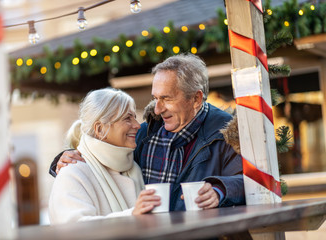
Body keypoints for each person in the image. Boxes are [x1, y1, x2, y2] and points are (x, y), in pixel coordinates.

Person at [50, 53, 245, 211]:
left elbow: (253, 180)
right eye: (156, 98)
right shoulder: (145, 134)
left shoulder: (227, 132)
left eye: (166, 99)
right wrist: (63, 159)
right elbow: (105, 157)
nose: (158, 109)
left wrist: (220, 189)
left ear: (196, 99)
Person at [48, 88, 161, 224]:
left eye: (135, 117)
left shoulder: (133, 167)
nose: (137, 125)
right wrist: (132, 215)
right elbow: (74, 230)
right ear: (100, 129)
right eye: (127, 118)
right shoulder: (72, 173)